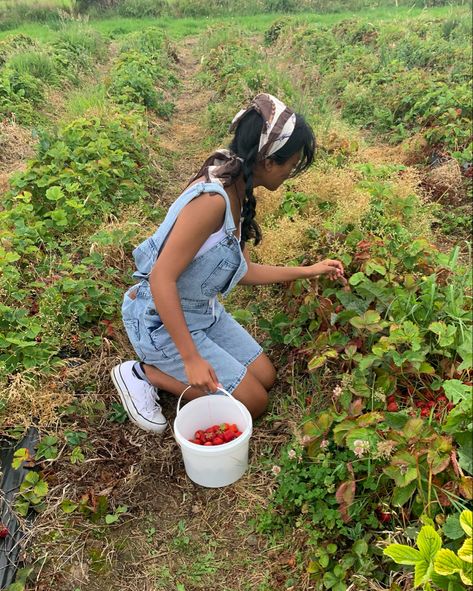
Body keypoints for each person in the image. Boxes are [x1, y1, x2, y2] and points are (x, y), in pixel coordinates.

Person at [111, 93, 346, 433]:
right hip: (159, 321)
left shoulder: (239, 186)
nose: (290, 174)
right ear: (268, 161)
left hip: (201, 313)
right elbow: (162, 277)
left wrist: (309, 270)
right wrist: (191, 359)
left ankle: (180, 367)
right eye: (290, 166)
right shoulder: (212, 201)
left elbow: (244, 270)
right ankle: (143, 373)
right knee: (254, 403)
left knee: (266, 376)